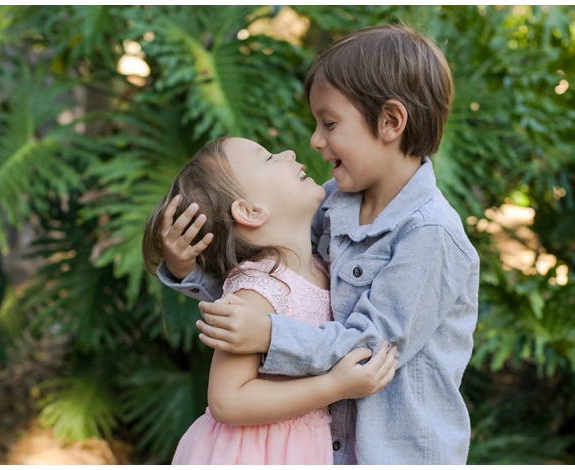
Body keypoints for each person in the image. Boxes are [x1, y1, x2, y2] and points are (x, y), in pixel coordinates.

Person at [157, 24, 479, 464]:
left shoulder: (430, 236)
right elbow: (275, 283)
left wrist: (270, 337)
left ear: (390, 122)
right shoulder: (331, 205)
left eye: (329, 123)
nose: (314, 141)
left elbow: (371, 350)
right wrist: (187, 269)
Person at [143, 136, 397, 465]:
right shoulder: (257, 290)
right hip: (252, 452)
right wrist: (333, 386)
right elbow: (227, 401)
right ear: (250, 211)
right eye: (267, 158)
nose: (289, 153)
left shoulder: (324, 265)